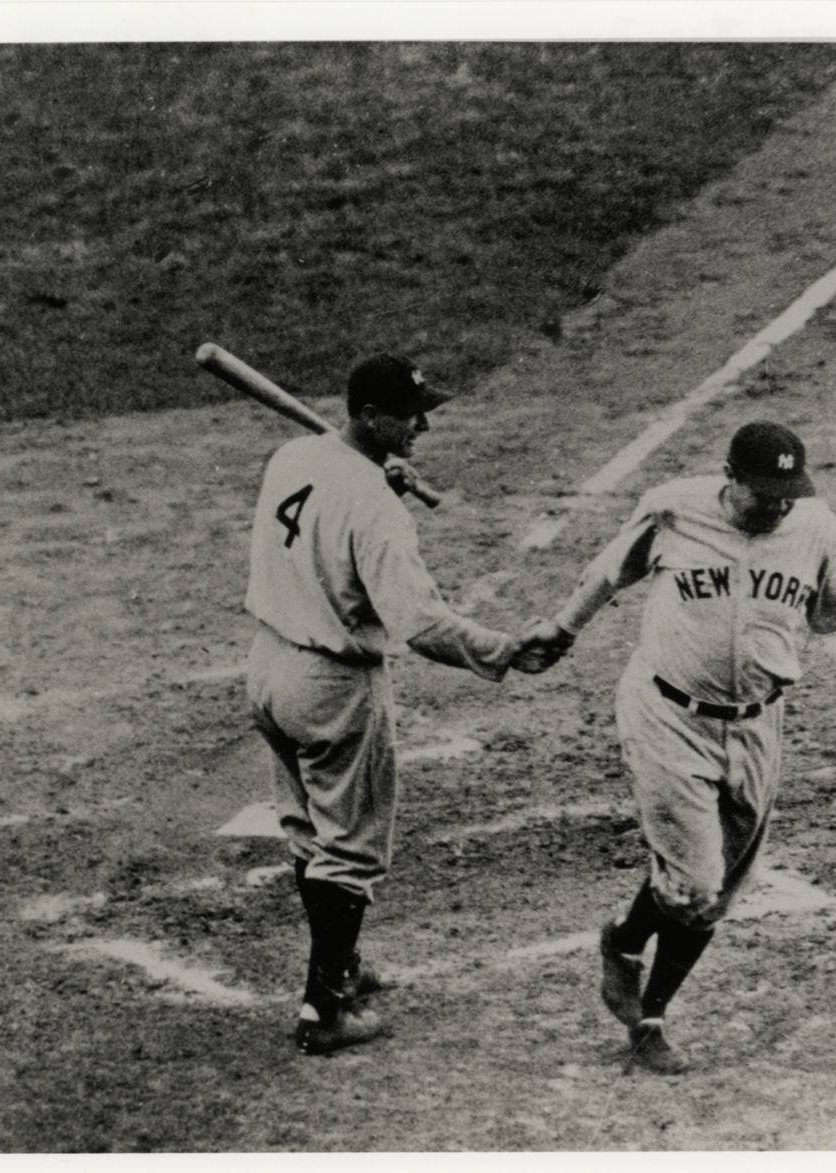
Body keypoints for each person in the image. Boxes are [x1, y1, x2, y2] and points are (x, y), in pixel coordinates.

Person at [522, 420, 836, 1075]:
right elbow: (608, 573)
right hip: (667, 712)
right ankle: (646, 1008)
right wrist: (562, 630)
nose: (777, 505)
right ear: (729, 476)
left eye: (787, 493)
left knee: (719, 888)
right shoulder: (673, 509)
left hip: (756, 725)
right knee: (693, 878)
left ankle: (632, 958)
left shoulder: (815, 529)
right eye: (763, 493)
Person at [246, 352, 548, 1055]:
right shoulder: (374, 502)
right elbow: (421, 625)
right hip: (331, 687)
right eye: (411, 414)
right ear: (371, 416)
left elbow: (329, 512)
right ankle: (325, 1010)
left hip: (267, 669)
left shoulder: (293, 454)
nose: (424, 424)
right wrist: (502, 651)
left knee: (309, 833)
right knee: (349, 847)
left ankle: (339, 965)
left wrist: (378, 485)